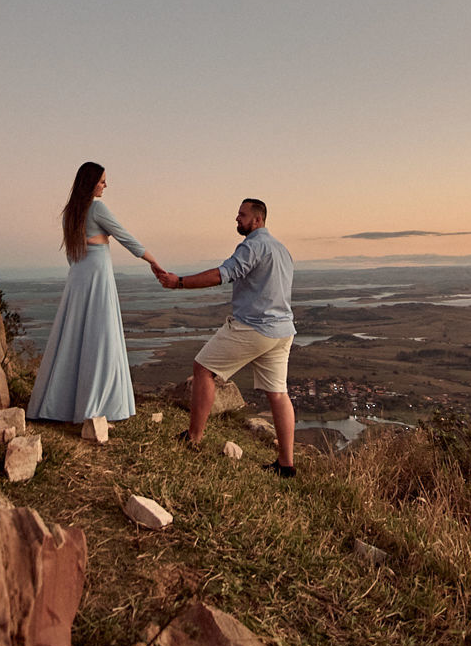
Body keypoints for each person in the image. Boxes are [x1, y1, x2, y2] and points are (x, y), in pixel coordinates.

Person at [156, 198, 297, 477]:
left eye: (242, 215)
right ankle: (286, 465)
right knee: (279, 394)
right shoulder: (282, 250)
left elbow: (223, 274)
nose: (237, 219)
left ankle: (193, 438)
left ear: (257, 220)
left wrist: (179, 282)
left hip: (254, 327)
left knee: (203, 369)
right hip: (282, 331)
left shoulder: (253, 245)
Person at [27, 162, 165, 424]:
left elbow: (71, 252)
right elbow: (125, 236)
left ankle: (61, 404)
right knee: (100, 336)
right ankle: (97, 405)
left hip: (78, 275)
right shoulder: (97, 207)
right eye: (102, 180)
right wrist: (153, 261)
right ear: (90, 183)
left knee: (72, 337)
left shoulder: (71, 212)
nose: (105, 185)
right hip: (98, 274)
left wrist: (81, 270)